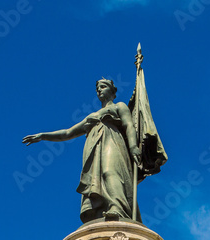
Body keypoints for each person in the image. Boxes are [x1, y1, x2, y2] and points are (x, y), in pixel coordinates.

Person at [23, 79, 142, 223]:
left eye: (103, 87)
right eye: (97, 88)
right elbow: (67, 133)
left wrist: (133, 146)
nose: (99, 90)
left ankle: (117, 207)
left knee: (111, 172)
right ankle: (103, 211)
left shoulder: (119, 106)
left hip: (112, 141)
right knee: (98, 178)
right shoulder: (91, 116)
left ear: (112, 91)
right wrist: (43, 136)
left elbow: (129, 125)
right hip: (94, 149)